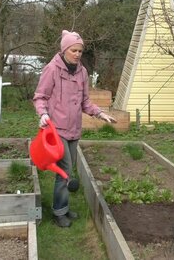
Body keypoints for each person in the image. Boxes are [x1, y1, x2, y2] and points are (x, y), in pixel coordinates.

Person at [33, 30, 116, 228]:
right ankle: (59, 211)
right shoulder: (52, 69)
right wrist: (43, 114)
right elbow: (40, 97)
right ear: (64, 50)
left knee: (67, 171)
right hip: (56, 130)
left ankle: (63, 207)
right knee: (65, 171)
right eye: (74, 50)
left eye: (80, 50)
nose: (78, 54)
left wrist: (99, 113)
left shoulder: (82, 72)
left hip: (74, 130)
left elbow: (85, 101)